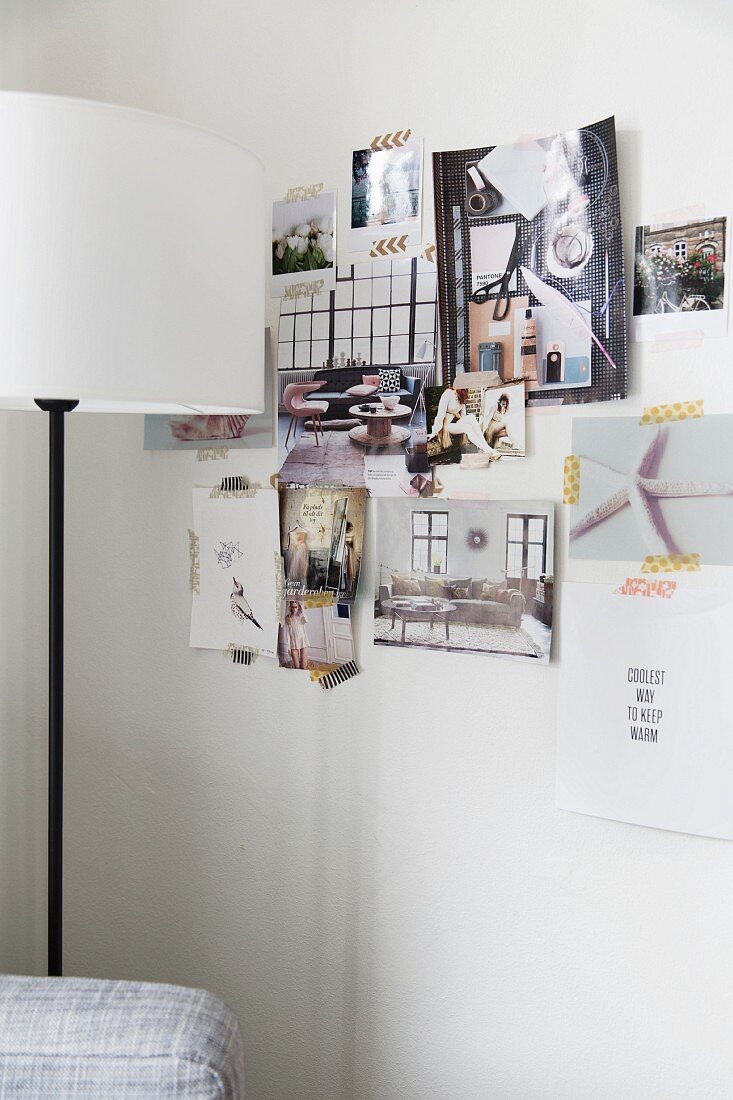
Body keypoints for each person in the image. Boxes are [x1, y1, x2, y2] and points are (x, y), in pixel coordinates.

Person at [428, 384, 494, 453]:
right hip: (446, 426)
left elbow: (463, 418)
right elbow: (440, 416)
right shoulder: (448, 394)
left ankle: (486, 446)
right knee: (467, 427)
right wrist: (434, 432)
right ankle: (485, 449)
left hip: (454, 423)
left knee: (471, 418)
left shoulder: (462, 397)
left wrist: (457, 415)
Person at [285, 600, 309, 669]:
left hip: (303, 641)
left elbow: (306, 620)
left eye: (296, 607)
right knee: (297, 667)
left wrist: (302, 609)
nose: (294, 609)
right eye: (293, 607)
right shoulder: (288, 618)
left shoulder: (301, 617)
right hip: (293, 642)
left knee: (303, 666)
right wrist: (288, 646)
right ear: (290, 608)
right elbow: (288, 632)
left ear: (298, 607)